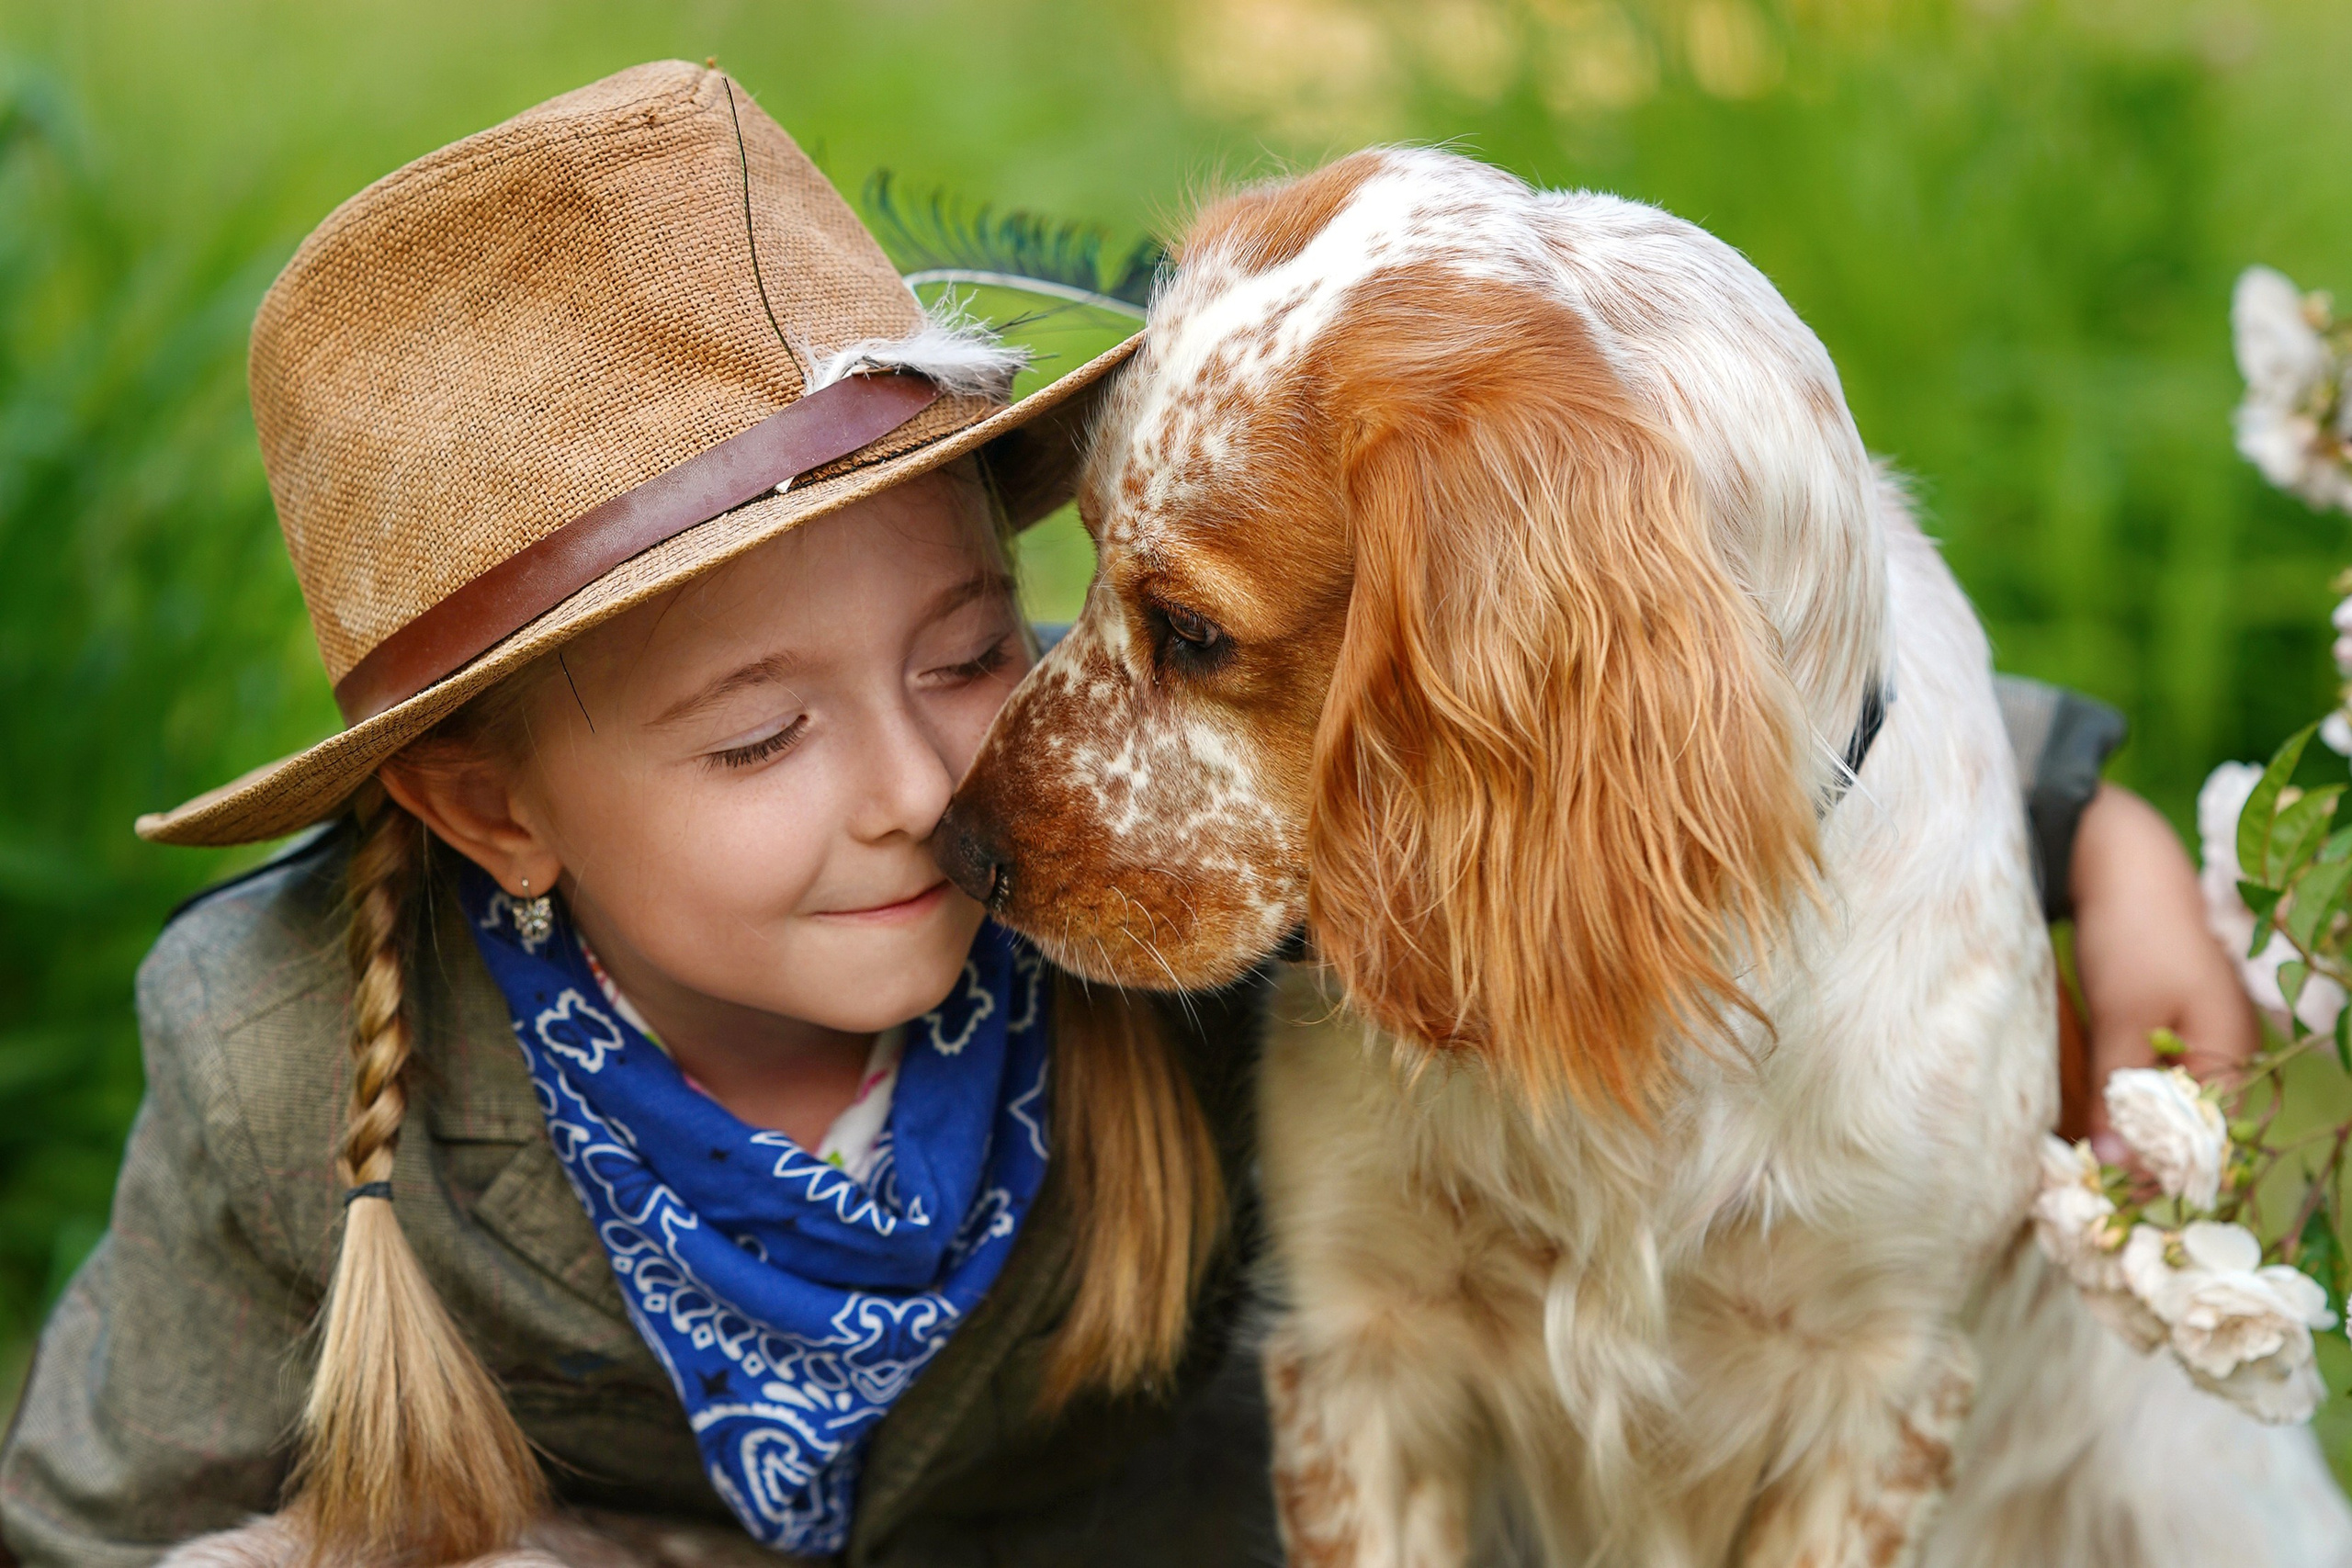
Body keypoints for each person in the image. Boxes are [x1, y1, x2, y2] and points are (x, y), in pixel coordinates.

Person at [0, 61, 2256, 1568]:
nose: (946, 787)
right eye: (757, 737)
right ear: (488, 796)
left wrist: (2082, 817)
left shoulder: (1149, 937)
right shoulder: (289, 1052)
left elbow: (1661, 682)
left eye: (989, 640)